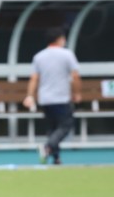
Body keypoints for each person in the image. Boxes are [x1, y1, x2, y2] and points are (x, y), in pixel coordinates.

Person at [23, 27, 81, 165]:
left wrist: (30, 96)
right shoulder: (67, 54)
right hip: (61, 98)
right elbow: (75, 75)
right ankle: (48, 147)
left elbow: (34, 78)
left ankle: (56, 158)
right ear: (60, 39)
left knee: (53, 128)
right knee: (65, 126)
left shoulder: (39, 56)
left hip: (45, 99)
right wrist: (77, 93)